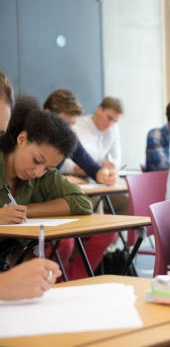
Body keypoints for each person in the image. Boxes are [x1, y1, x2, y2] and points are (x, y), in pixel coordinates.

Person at [0, 96, 100, 281]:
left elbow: (82, 202)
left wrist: (25, 211)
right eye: (37, 161)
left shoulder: (41, 175)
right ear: (22, 139)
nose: (39, 172)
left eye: (47, 168)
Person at [60, 96, 127, 215]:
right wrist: (83, 169)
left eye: (115, 121)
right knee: (95, 201)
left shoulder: (113, 130)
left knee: (126, 201)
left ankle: (119, 234)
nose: (110, 124)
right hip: (73, 177)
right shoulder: (76, 125)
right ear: (99, 110)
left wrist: (108, 170)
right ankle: (96, 234)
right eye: (109, 118)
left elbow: (116, 161)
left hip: (97, 180)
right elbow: (62, 160)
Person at [44, 89, 116, 186]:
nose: (68, 130)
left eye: (71, 124)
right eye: (64, 123)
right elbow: (32, 178)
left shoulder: (68, 137)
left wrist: (104, 175)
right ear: (47, 114)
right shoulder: (32, 136)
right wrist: (61, 180)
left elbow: (90, 166)